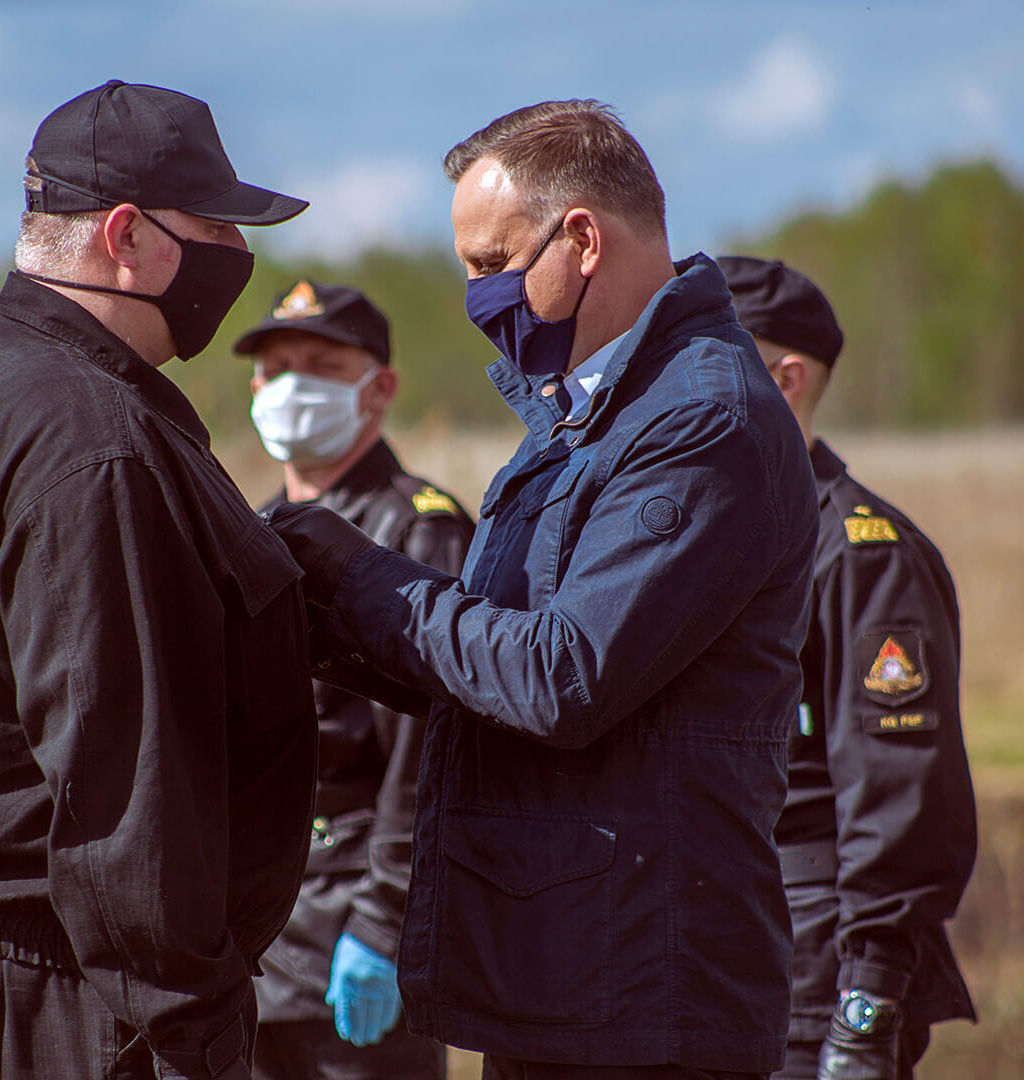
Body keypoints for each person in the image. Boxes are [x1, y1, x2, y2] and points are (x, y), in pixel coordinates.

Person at [265, 101, 818, 1078]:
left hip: (650, 996)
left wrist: (362, 576)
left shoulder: (702, 426)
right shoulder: (585, 416)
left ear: (581, 239)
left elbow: (562, 675)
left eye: (490, 263)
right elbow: (490, 665)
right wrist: (312, 615)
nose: (477, 297)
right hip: (568, 981)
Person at [0, 80, 317, 1080]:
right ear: (126, 236)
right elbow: (121, 781)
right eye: (215, 226)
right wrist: (190, 1031)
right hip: (70, 1003)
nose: (238, 256)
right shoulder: (88, 442)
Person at [717, 257, 976, 1080]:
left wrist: (866, 1013)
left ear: (787, 378)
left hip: (815, 973)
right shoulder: (707, 538)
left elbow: (899, 797)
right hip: (711, 956)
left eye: (707, 359)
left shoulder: (863, 554)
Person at [234, 281, 471, 1080]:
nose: (293, 383)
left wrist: (383, 922)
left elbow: (436, 750)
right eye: (277, 365)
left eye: (322, 364)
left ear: (381, 388)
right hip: (256, 938)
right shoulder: (249, 530)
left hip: (356, 926)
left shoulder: (417, 528)